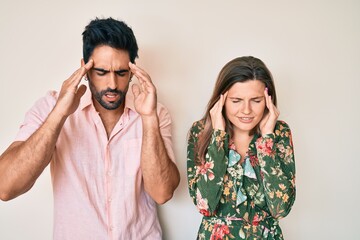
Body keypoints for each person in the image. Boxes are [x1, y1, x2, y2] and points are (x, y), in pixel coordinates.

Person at [0, 17, 180, 239]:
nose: (112, 84)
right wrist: (59, 114)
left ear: (133, 72)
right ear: (85, 69)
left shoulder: (155, 112)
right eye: (102, 72)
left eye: (121, 73)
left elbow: (162, 193)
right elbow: (5, 187)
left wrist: (149, 118)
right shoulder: (51, 107)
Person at [187, 56, 295, 239]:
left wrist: (267, 139)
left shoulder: (279, 132)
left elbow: (281, 209)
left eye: (256, 100)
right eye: (236, 100)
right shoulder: (201, 131)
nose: (246, 110)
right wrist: (218, 136)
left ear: (268, 100)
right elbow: (204, 204)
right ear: (221, 100)